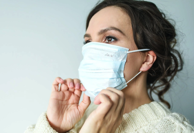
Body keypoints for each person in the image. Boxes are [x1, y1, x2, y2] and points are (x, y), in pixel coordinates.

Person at [24, 0, 194, 133]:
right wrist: (55, 127)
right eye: (88, 42)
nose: (92, 50)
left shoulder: (176, 130)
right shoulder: (73, 117)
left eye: (109, 38)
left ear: (146, 60)